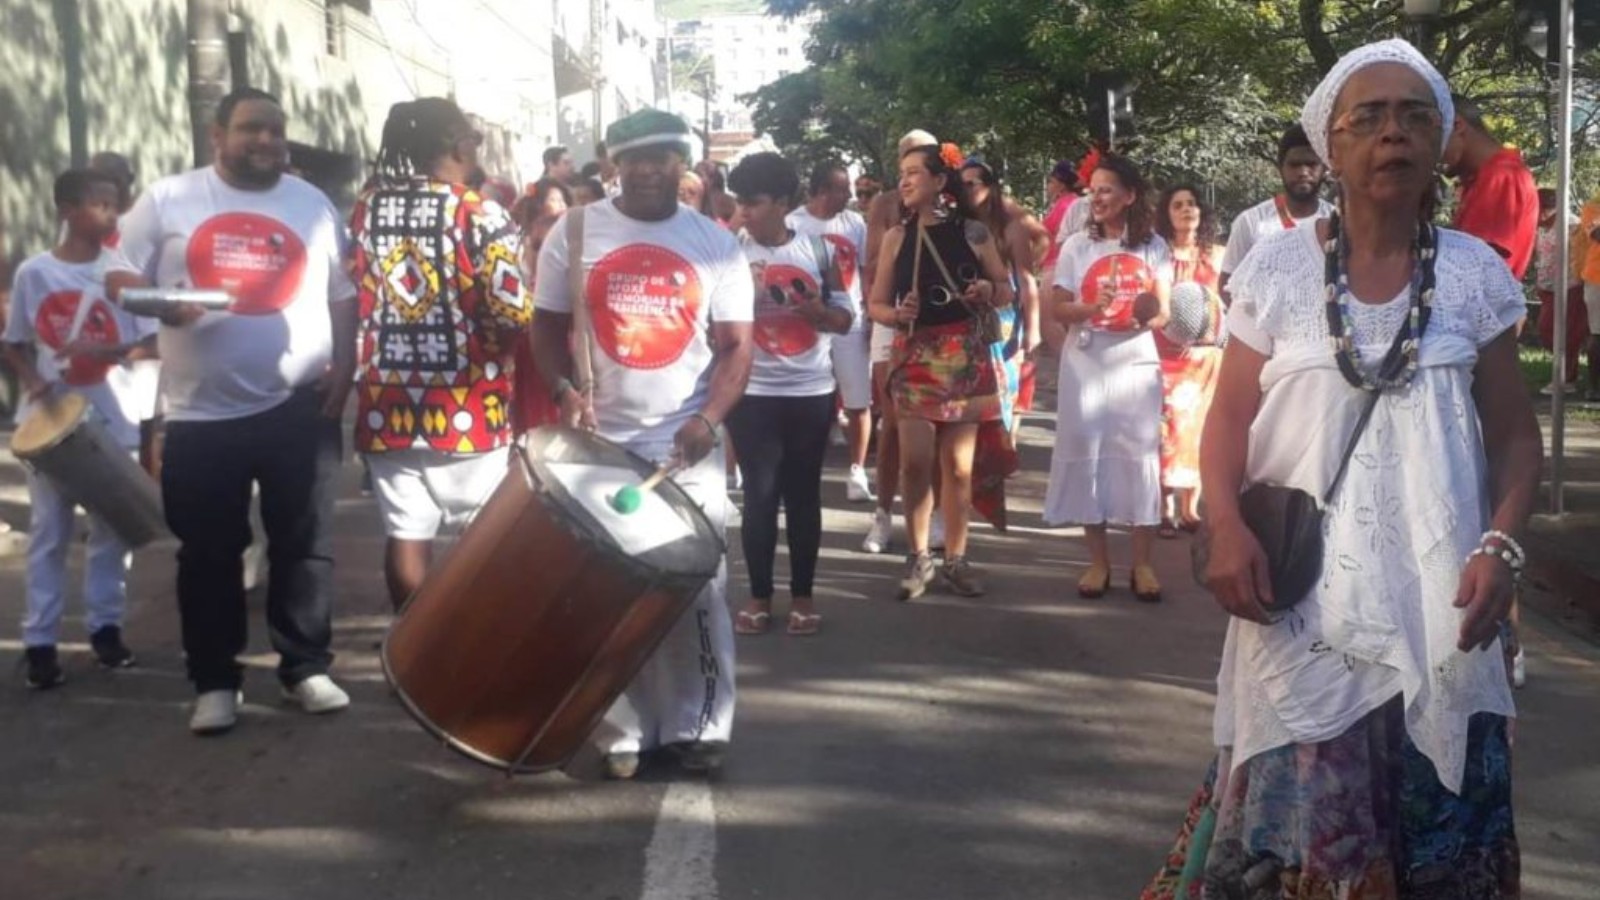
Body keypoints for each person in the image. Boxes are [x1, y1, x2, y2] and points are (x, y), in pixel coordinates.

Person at [1144, 41, 1540, 898]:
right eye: (1370, 117)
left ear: (1440, 142)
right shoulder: (1279, 269)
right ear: (1332, 146)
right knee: (1304, 838)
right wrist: (1224, 525)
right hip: (1304, 609)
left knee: (1439, 843)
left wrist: (1502, 545)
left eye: (1415, 116)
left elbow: (1514, 435)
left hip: (1445, 615)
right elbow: (1229, 421)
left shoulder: (1473, 275)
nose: (1393, 133)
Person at [113, 87, 358, 735]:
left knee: (304, 545)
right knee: (210, 553)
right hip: (200, 417)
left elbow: (342, 292)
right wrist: (163, 301)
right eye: (251, 129)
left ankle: (304, 667)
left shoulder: (310, 203)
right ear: (216, 135)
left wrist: (349, 366)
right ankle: (215, 682)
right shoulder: (169, 199)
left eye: (276, 131)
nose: (266, 142)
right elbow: (117, 278)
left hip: (299, 411)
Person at [531, 109, 753, 779]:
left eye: (666, 155)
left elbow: (738, 346)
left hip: (684, 446)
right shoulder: (572, 232)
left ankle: (699, 724)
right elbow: (544, 330)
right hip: (596, 447)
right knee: (602, 594)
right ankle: (620, 728)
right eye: (638, 157)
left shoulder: (715, 242)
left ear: (684, 164)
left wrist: (709, 418)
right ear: (612, 165)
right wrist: (567, 391)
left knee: (695, 591)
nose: (652, 168)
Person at [347, 98, 534, 611]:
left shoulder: (367, 207)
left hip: (387, 401)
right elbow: (512, 308)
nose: (476, 144)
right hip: (467, 403)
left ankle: (410, 655)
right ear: (457, 143)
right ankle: (467, 658)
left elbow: (353, 285)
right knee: (484, 537)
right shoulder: (478, 210)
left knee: (406, 532)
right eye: (471, 135)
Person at [2, 169, 156, 688]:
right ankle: (40, 642)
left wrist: (110, 351)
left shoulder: (123, 273)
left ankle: (105, 629)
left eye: (116, 206)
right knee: (49, 532)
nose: (111, 215)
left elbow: (153, 342)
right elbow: (14, 339)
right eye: (99, 204)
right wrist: (32, 381)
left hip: (113, 419)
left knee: (112, 534)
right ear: (67, 209)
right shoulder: (35, 273)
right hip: (50, 426)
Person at [866, 139, 1014, 600]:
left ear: (939, 181)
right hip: (914, 356)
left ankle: (955, 558)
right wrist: (898, 313)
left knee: (958, 467)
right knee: (915, 462)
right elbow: (875, 305)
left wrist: (987, 290)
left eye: (914, 172)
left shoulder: (974, 233)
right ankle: (918, 556)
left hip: (965, 357)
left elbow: (1007, 290)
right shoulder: (896, 237)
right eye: (902, 172)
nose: (905, 181)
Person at [726, 152, 853, 638]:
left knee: (802, 494)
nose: (745, 211)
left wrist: (817, 311)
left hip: (810, 390)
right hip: (751, 392)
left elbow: (846, 320)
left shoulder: (819, 252)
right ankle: (759, 596)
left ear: (781, 202)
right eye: (740, 202)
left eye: (754, 202)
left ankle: (803, 596)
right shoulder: (728, 253)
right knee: (758, 495)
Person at [1044, 155, 1171, 603]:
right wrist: (1092, 307)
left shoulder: (1154, 247)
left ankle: (1142, 564)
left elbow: (1164, 312)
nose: (1095, 198)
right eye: (1092, 190)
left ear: (1129, 196)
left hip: (1135, 361)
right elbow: (1058, 308)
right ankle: (1098, 562)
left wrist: (1145, 312)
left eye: (1105, 190)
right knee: (1087, 454)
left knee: (1139, 454)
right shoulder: (1078, 245)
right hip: (1086, 361)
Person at [860, 130, 935, 555]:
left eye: (919, 163)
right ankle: (884, 515)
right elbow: (874, 264)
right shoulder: (884, 204)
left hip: (938, 328)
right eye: (904, 160)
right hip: (892, 321)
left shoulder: (951, 207)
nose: (909, 172)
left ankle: (934, 514)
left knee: (936, 427)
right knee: (891, 425)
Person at [788, 162, 874, 503]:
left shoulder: (854, 223)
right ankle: (802, 466)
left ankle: (857, 470)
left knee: (858, 400)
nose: (849, 195)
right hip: (807, 322)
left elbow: (866, 270)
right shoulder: (794, 223)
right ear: (822, 190)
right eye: (842, 188)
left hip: (849, 320)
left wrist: (868, 314)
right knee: (808, 397)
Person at [1153, 184, 1225, 534]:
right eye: (1177, 204)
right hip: (1165, 357)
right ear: (1167, 214)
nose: (1186, 209)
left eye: (1192, 204)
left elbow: (1233, 302)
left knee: (1199, 429)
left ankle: (1190, 506)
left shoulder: (1219, 256)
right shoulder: (1157, 256)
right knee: (1166, 428)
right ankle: (1164, 505)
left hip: (1206, 360)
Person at [962, 157, 1048, 441]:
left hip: (1004, 315)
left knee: (1006, 383)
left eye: (971, 184)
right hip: (965, 314)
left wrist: (1033, 331)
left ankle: (1005, 443)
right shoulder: (956, 223)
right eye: (960, 184)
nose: (965, 190)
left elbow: (1025, 279)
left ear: (989, 187)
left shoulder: (1012, 226)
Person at [1218, 124, 1332, 298]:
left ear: (1324, 168)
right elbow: (1226, 286)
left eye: (1311, 164)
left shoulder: (1337, 221)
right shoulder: (1251, 222)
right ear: (1280, 168)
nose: (1303, 172)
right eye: (1294, 165)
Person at [1445, 94, 1539, 281]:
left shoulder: (1501, 176)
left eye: (1431, 139)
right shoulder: (1484, 177)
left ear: (1457, 126)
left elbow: (1474, 267)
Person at [509, 177, 573, 435]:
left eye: (561, 199)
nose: (559, 204)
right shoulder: (525, 240)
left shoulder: (568, 233)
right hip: (530, 346)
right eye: (552, 199)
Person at [1534, 188, 1587, 396]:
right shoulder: (1542, 226)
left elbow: (1581, 255)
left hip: (1570, 287)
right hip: (1547, 287)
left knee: (1564, 334)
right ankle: (1565, 372)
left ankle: (1567, 379)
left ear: (1549, 209)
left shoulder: (1571, 225)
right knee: (1548, 331)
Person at [1578, 192, 1600, 400]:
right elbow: (1597, 234)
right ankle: (1594, 387)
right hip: (1597, 279)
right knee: (1598, 334)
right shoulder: (1593, 206)